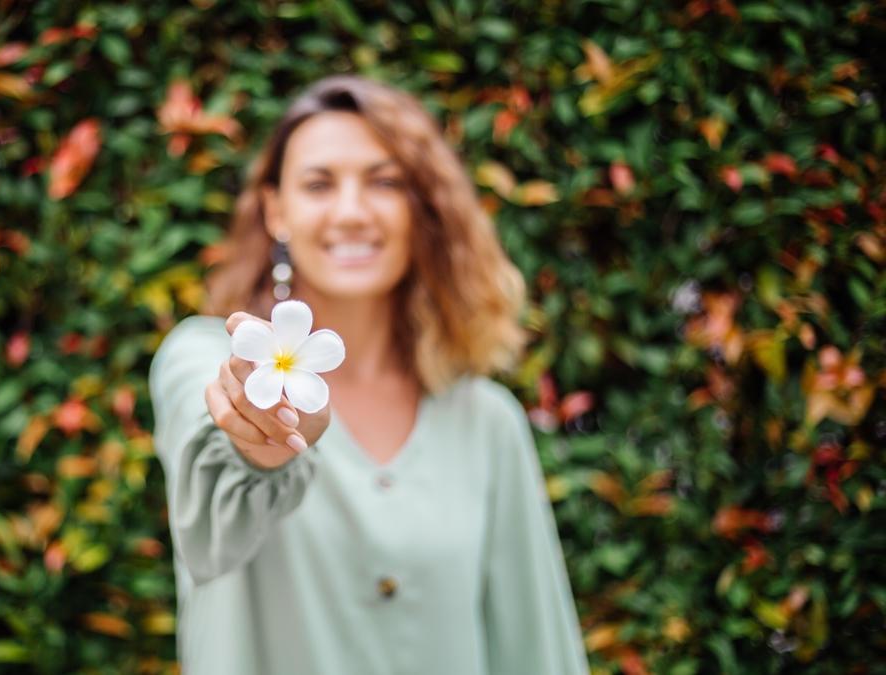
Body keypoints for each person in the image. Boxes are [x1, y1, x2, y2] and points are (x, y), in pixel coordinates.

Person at [149, 74, 588, 674]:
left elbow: (537, 648)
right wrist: (258, 447)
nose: (352, 213)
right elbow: (210, 480)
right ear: (277, 210)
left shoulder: (486, 423)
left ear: (421, 208)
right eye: (319, 184)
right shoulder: (207, 357)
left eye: (384, 182)